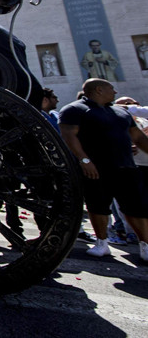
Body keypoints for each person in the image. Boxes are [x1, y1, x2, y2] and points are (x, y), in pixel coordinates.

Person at [59, 78, 148, 260]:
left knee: (135, 208)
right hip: (97, 167)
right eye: (111, 88)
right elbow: (69, 136)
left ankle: (145, 244)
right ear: (99, 90)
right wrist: (84, 160)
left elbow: (138, 137)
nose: (115, 92)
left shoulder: (121, 112)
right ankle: (102, 243)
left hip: (126, 166)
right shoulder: (74, 109)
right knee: (98, 206)